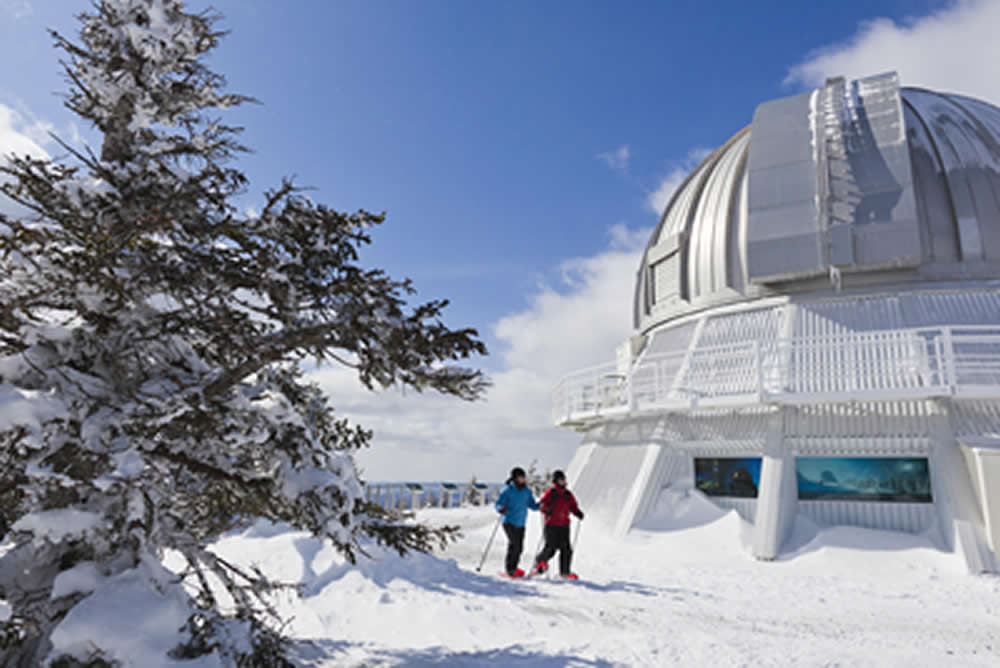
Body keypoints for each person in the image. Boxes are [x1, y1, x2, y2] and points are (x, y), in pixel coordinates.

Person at [532, 470, 584, 579]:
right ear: (556, 481)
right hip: (551, 525)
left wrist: (578, 513)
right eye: (561, 480)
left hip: (564, 525)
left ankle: (565, 572)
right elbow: (542, 505)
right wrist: (547, 510)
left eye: (564, 479)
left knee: (566, 549)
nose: (563, 482)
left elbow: (573, 506)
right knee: (551, 548)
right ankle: (540, 562)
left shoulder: (567, 494)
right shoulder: (551, 492)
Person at [494, 466, 539, 577]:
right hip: (508, 521)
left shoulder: (526, 491)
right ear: (514, 478)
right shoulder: (508, 490)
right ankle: (510, 569)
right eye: (520, 478)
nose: (523, 480)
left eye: (523, 477)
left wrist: (540, 506)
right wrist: (501, 509)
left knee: (520, 547)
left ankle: (513, 568)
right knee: (514, 544)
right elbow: (498, 504)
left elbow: (532, 505)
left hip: (521, 522)